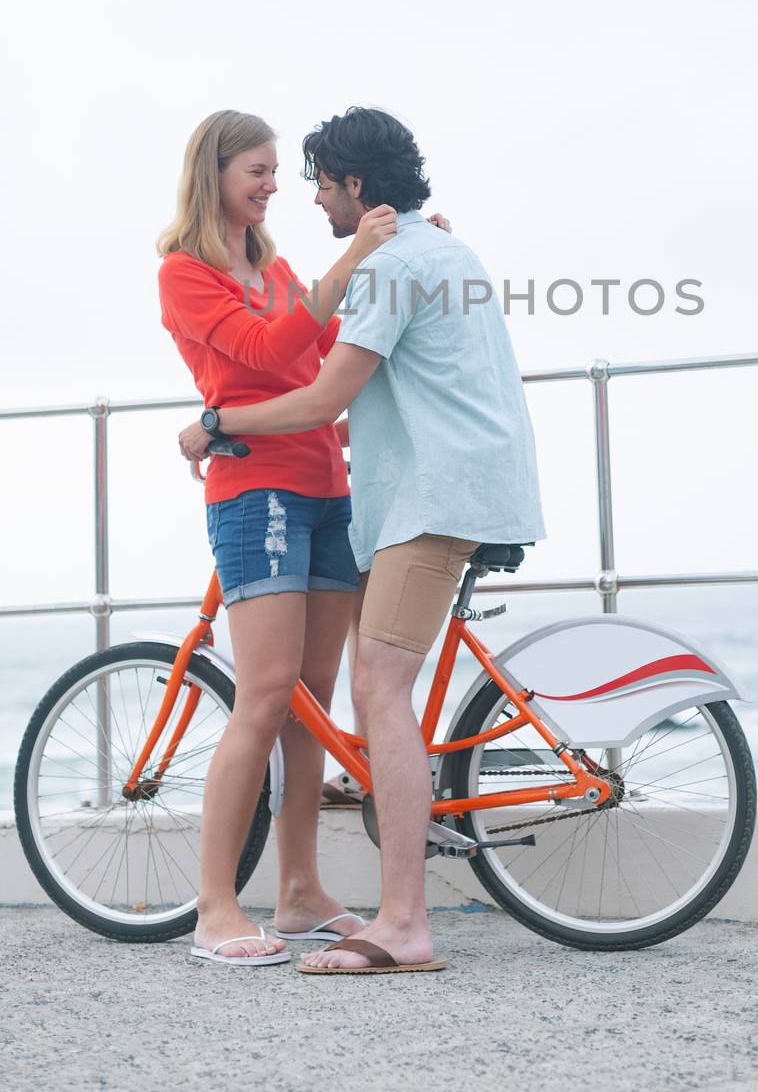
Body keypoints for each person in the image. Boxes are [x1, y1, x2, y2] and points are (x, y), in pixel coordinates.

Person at [184, 106, 546, 974]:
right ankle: (324, 892)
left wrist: (214, 422)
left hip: (430, 499)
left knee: (378, 687)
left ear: (353, 186)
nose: (307, 199)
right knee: (371, 687)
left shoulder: (390, 266)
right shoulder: (444, 252)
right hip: (462, 487)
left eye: (315, 182)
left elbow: (317, 398)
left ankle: (403, 927)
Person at [158, 108, 449, 965]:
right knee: (264, 691)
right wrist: (356, 251)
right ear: (212, 172)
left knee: (307, 704)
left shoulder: (273, 265)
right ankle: (215, 906)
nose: (272, 184)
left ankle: (298, 894)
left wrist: (408, 252)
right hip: (256, 491)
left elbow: (326, 345)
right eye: (255, 169)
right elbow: (263, 346)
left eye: (277, 172)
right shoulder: (185, 272)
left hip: (328, 491)